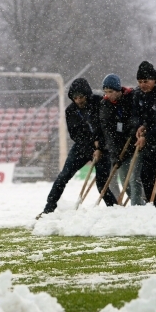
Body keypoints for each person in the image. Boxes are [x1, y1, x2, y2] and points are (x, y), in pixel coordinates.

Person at [39, 78, 117, 216]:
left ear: (87, 94)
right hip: (82, 148)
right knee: (63, 176)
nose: (78, 100)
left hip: (103, 149)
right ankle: (48, 209)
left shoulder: (100, 103)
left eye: (81, 97)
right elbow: (75, 135)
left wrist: (100, 147)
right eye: (75, 98)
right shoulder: (70, 111)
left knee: (101, 184)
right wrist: (91, 147)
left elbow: (106, 128)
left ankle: (115, 211)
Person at [99, 73, 145, 205]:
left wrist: (133, 127)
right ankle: (139, 204)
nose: (108, 95)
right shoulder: (105, 105)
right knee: (125, 182)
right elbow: (108, 132)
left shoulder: (132, 97)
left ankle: (139, 208)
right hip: (121, 148)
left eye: (111, 91)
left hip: (136, 143)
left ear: (118, 89)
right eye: (106, 92)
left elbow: (139, 116)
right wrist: (114, 153)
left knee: (134, 179)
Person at [131, 61, 156, 209]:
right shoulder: (138, 94)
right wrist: (139, 126)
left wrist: (148, 133)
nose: (142, 85)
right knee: (146, 175)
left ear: (154, 80)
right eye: (140, 82)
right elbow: (136, 116)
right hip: (150, 142)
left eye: (146, 81)